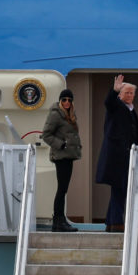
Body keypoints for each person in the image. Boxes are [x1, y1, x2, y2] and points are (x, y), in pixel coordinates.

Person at [96, 74, 138, 232]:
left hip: (126, 156)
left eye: (131, 93)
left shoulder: (130, 110)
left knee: (119, 189)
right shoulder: (116, 106)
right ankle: (116, 223)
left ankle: (111, 223)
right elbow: (109, 102)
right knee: (120, 189)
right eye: (126, 92)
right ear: (120, 95)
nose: (129, 95)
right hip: (117, 157)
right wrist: (114, 90)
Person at [42, 89, 82, 232]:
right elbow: (46, 135)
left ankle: (60, 220)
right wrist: (61, 144)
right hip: (61, 156)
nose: (66, 102)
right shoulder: (55, 114)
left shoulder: (69, 114)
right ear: (60, 100)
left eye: (69, 100)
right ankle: (58, 221)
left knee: (63, 189)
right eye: (64, 99)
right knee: (62, 189)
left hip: (68, 156)